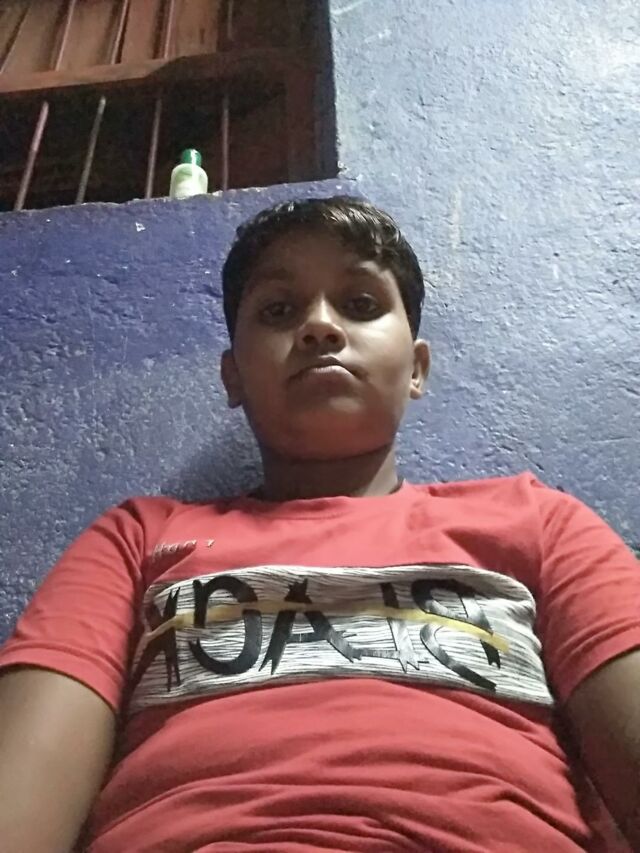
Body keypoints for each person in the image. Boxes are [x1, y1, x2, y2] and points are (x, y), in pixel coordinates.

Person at [0, 196, 638, 853]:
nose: (320, 327)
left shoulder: (540, 524)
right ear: (233, 377)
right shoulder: (136, 540)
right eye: (280, 310)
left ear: (416, 368)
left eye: (360, 303)